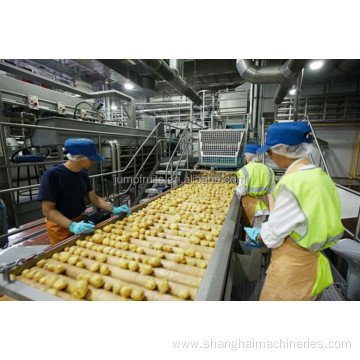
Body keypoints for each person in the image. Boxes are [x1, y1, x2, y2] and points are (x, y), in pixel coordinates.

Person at [245, 122, 344, 301]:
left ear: (282, 149)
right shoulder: (320, 176)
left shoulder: (293, 183)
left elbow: (274, 235)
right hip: (312, 262)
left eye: (270, 151)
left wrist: (259, 236)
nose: (271, 157)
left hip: (293, 269)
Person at [37, 138, 131, 245]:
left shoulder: (82, 173)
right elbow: (48, 210)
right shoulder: (53, 175)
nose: (93, 161)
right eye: (91, 158)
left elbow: (94, 198)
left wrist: (113, 208)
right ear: (79, 157)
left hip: (80, 221)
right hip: (60, 226)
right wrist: (72, 226)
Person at [235, 143, 275, 230]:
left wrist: (235, 192)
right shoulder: (269, 170)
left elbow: (241, 191)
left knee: (252, 231)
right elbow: (273, 190)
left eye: (245, 156)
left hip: (251, 206)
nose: (245, 158)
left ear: (248, 157)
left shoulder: (245, 170)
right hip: (264, 206)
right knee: (261, 230)